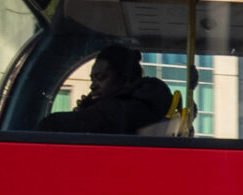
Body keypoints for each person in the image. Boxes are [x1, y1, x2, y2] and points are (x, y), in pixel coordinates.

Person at [44, 43, 172, 135]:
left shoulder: (128, 110)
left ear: (124, 80)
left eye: (101, 77)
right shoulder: (143, 102)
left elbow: (52, 124)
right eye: (92, 79)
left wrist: (86, 111)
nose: (92, 86)